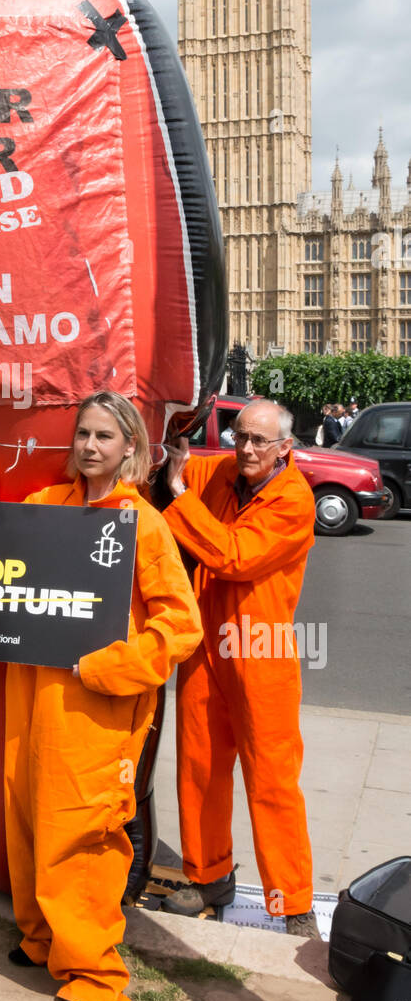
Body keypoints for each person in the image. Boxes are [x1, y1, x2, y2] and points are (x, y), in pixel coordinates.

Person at [0, 391, 203, 1001]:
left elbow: (179, 626)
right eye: (83, 434)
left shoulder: (145, 524)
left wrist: (108, 668)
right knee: (27, 821)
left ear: (131, 447)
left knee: (81, 837)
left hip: (97, 712)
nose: (89, 447)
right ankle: (42, 937)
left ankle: (94, 977)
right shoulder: (47, 507)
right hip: (32, 699)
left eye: (104, 437)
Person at [162, 400, 320, 938]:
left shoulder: (295, 500)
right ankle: (208, 877)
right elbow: (180, 462)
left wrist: (182, 497)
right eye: (240, 436)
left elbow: (233, 556)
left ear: (285, 448)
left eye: (259, 441)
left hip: (262, 651)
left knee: (271, 781)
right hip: (207, 645)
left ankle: (293, 904)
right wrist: (170, 444)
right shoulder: (227, 470)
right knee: (200, 768)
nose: (246, 448)